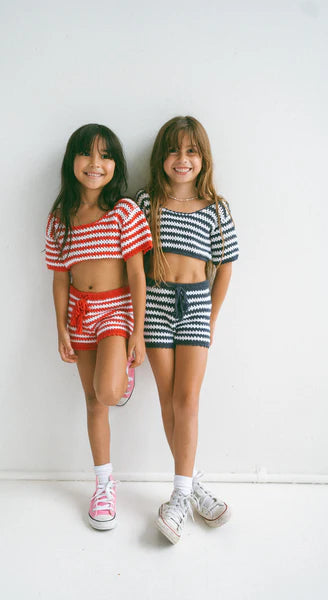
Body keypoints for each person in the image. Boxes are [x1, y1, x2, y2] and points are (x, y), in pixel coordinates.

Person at [136, 115, 239, 544]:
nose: (182, 160)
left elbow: (226, 266)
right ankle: (189, 488)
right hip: (156, 305)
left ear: (203, 159)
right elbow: (134, 265)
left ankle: (180, 493)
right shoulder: (146, 203)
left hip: (195, 305)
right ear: (162, 157)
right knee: (167, 399)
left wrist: (210, 318)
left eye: (191, 151)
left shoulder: (216, 208)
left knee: (188, 399)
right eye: (174, 151)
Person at [46, 124, 152, 530]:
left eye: (105, 155)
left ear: (115, 165)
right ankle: (104, 484)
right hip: (79, 313)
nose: (95, 164)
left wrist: (138, 333)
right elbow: (59, 277)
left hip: (115, 312)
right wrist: (61, 328)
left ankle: (120, 374)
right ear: (72, 160)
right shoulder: (60, 219)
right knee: (92, 402)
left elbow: (137, 275)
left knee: (107, 391)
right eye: (87, 154)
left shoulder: (124, 212)